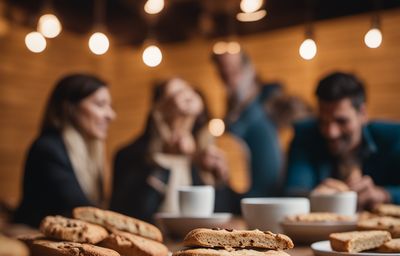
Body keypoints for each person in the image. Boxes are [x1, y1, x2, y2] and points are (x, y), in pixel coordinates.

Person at [110, 77, 237, 222]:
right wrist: (164, 161)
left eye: (188, 91)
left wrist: (219, 179)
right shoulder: (130, 155)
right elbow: (130, 213)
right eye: (174, 94)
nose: (184, 97)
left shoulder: (202, 156)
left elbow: (222, 213)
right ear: (158, 109)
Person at [285, 71, 400, 209]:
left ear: (362, 114)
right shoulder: (305, 134)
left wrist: (384, 194)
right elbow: (293, 190)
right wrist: (316, 195)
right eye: (323, 121)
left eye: (341, 121)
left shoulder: (393, 137)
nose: (331, 132)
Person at [13, 73, 116, 227]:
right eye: (100, 105)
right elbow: (82, 211)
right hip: (36, 243)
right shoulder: (48, 149)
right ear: (70, 108)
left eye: (110, 106)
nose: (111, 115)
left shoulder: (90, 152)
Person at [212, 49, 284, 197]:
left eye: (234, 71)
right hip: (244, 193)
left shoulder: (266, 107)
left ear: (248, 69)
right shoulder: (234, 108)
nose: (230, 79)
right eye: (224, 74)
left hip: (265, 194)